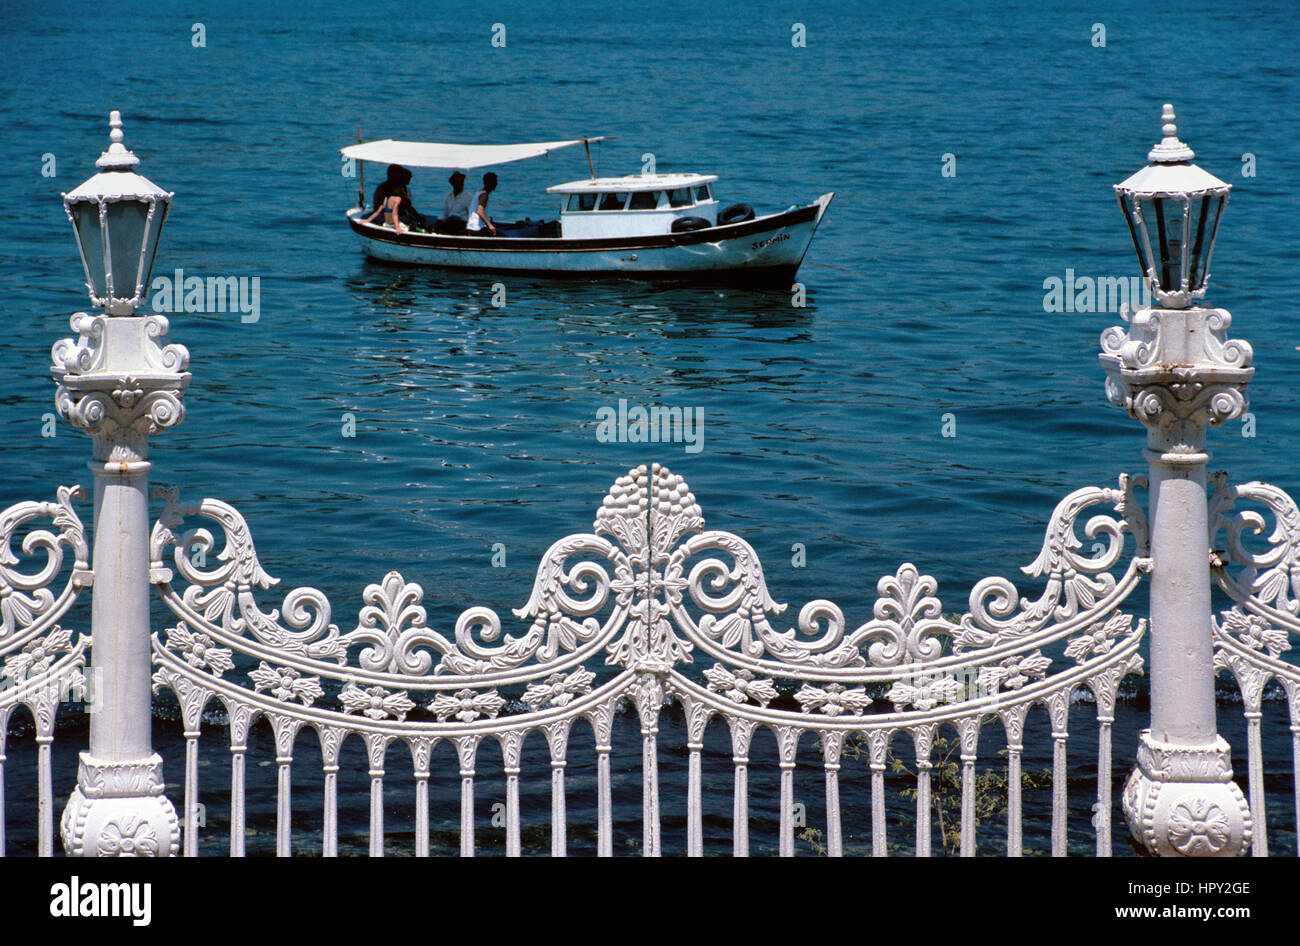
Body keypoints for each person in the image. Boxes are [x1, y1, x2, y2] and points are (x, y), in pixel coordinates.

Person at [361, 164, 427, 233]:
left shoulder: (398, 187)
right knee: (415, 220)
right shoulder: (391, 188)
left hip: (390, 214)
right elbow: (404, 206)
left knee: (419, 218)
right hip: (386, 216)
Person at [465, 172, 498, 236]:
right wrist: (490, 225)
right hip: (477, 228)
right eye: (495, 182)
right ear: (491, 183)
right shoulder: (484, 195)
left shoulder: (478, 192)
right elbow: (480, 211)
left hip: (471, 226)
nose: (496, 184)